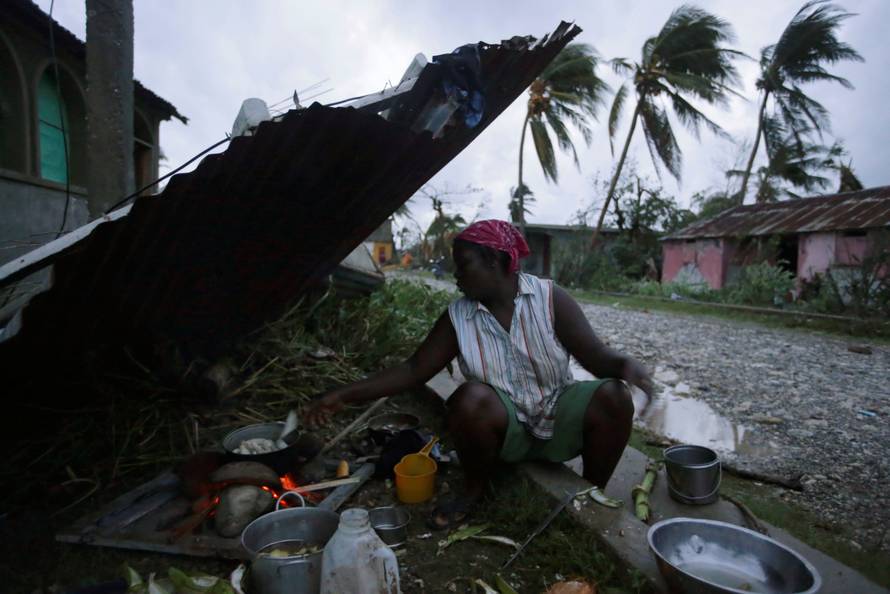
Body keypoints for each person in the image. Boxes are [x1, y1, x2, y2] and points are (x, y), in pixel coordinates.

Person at [304, 220, 653, 529]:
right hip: (505, 430)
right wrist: (342, 394)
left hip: (557, 413)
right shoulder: (458, 317)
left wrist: (624, 366)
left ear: (496, 261)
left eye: (464, 265)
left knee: (614, 396)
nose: (456, 275)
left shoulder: (549, 298)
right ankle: (474, 490)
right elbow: (413, 370)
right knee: (468, 399)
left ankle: (589, 496)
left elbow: (593, 355)